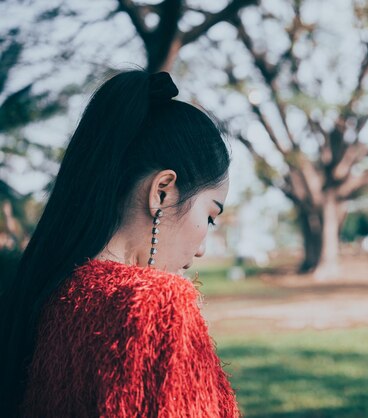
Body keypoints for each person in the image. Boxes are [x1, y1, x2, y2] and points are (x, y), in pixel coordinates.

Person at [0, 70, 239, 417]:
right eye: (210, 216)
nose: (202, 249)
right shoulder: (155, 308)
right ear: (162, 191)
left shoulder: (47, 296)